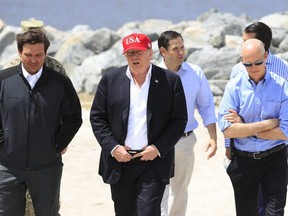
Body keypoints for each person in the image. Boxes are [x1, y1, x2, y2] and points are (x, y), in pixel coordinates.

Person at [90, 33, 187, 216]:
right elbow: (97, 118)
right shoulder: (110, 80)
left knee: (148, 212)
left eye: (139, 52)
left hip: (153, 162)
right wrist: (114, 148)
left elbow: (179, 120)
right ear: (124, 55)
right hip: (120, 162)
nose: (135, 57)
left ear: (151, 53)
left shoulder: (170, 81)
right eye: (130, 53)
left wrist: (157, 148)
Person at [0, 29, 82, 215]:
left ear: (46, 53)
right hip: (8, 168)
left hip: (47, 168)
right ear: (20, 53)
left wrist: (57, 144)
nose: (34, 60)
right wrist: (3, 143)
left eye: (39, 55)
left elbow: (74, 117)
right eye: (28, 55)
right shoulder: (3, 80)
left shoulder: (60, 82)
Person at [218, 38, 288, 216]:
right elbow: (227, 129)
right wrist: (268, 124)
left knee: (274, 213)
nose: (254, 67)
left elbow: (285, 132)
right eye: (247, 64)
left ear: (266, 56)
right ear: (241, 61)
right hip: (243, 162)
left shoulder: (282, 86)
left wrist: (245, 128)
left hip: (275, 160)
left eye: (258, 62)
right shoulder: (234, 87)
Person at [157, 30, 217, 216]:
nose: (181, 52)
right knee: (159, 191)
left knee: (180, 192)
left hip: (184, 142)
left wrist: (213, 137)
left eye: (182, 47)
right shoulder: (152, 74)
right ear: (163, 51)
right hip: (157, 143)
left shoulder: (195, 73)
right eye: (175, 49)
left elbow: (206, 106)